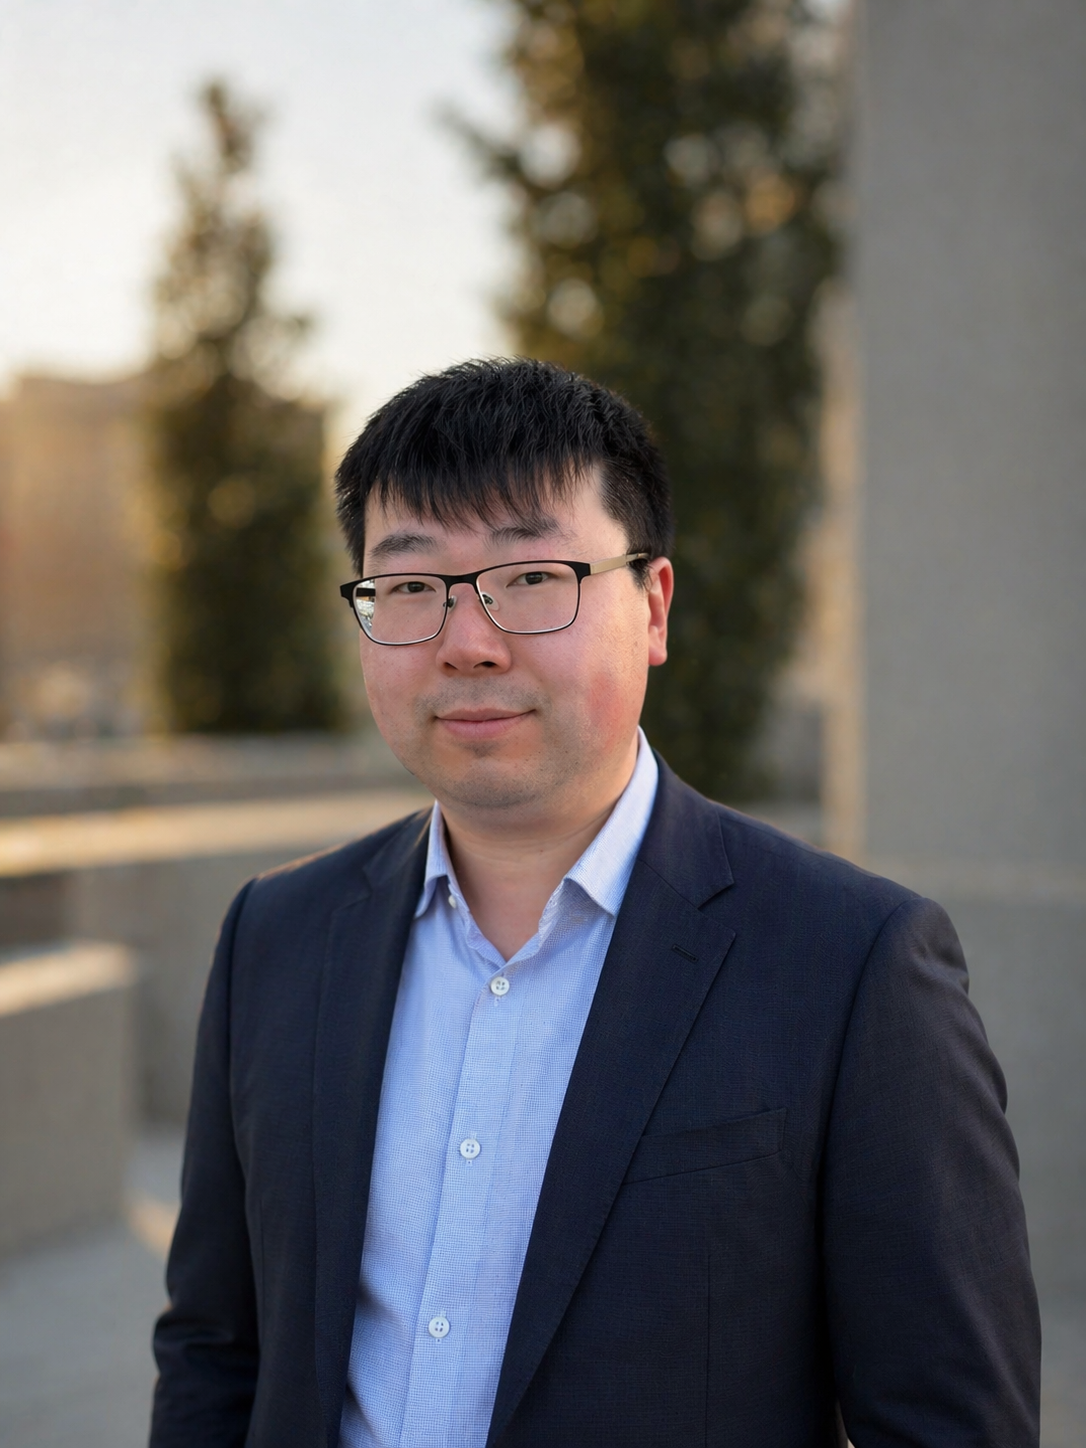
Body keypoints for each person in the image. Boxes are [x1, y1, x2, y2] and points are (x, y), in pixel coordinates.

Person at [150, 358, 1040, 1448]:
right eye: (413, 584)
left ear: (654, 605)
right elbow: (215, 1350)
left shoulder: (855, 965)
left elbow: (950, 1418)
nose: (467, 640)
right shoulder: (276, 937)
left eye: (532, 576)